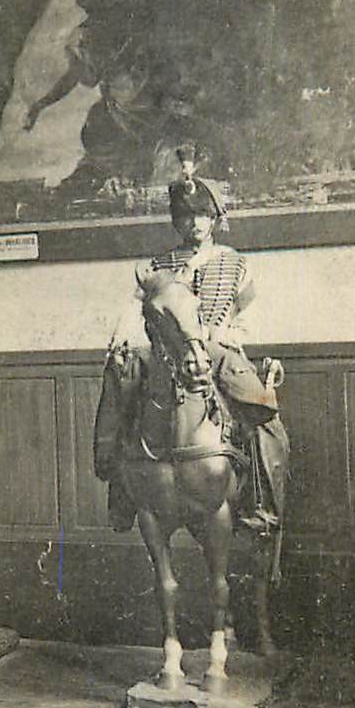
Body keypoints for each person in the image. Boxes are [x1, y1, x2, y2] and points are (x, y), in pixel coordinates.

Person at [95, 146, 288, 533]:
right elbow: (134, 308)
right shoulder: (159, 266)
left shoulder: (234, 262)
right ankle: (120, 486)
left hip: (218, 350)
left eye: (201, 215)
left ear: (214, 218)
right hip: (167, 351)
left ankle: (262, 501)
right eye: (185, 216)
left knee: (261, 410)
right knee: (120, 381)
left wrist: (230, 334)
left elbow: (250, 310)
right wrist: (121, 340)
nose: (194, 223)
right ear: (176, 221)